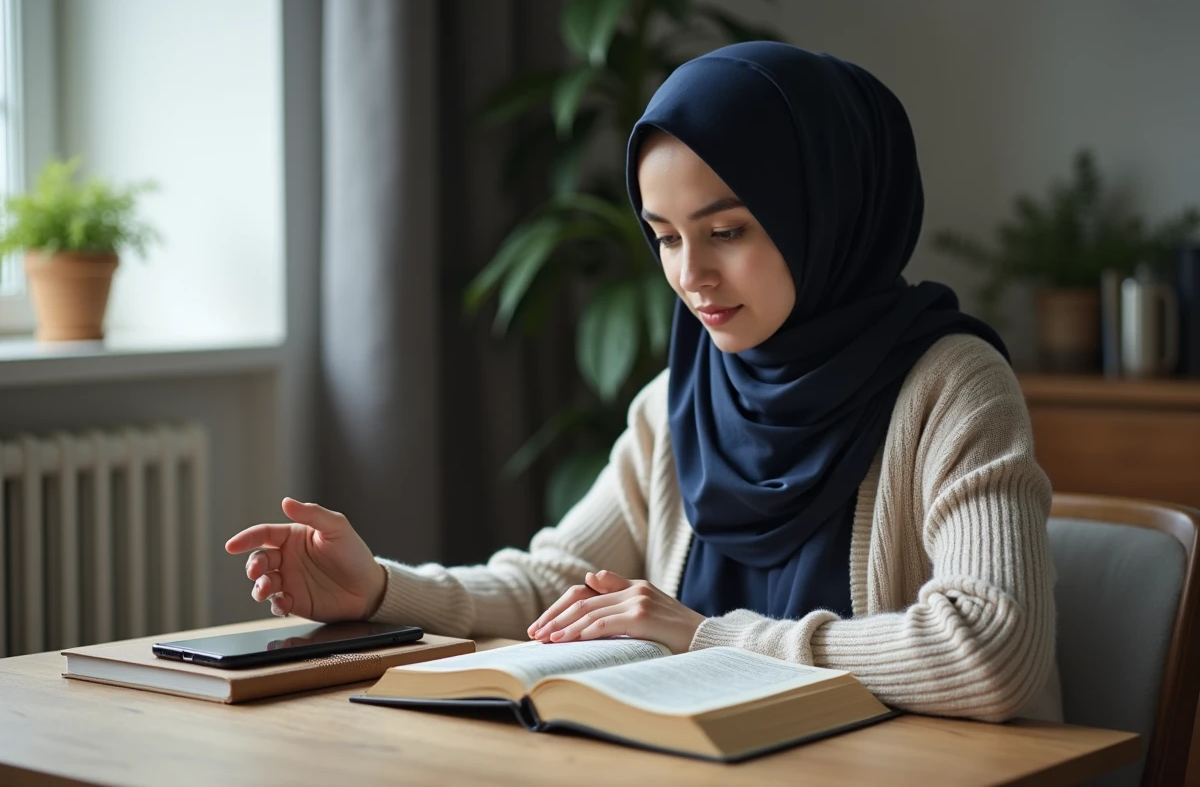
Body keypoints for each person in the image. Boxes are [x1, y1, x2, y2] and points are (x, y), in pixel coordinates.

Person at [226, 42, 1060, 723]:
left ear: (829, 210)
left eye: (726, 230)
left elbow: (990, 651)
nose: (691, 275)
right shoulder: (681, 399)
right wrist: (379, 586)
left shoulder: (952, 385)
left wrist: (705, 638)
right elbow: (557, 587)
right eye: (664, 237)